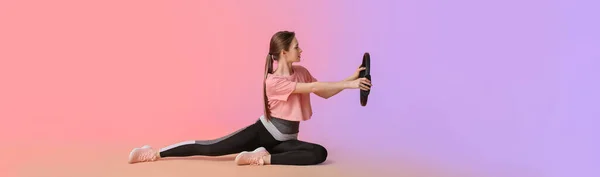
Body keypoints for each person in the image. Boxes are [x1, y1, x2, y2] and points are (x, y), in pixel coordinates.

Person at [127, 31, 372, 166]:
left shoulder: (301, 72)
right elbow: (311, 87)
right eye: (297, 46)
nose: (301, 50)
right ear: (284, 52)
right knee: (211, 147)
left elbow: (323, 91)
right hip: (263, 134)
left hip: (285, 141)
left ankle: (263, 158)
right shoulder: (273, 81)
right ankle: (155, 153)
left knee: (319, 154)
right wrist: (350, 84)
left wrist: (351, 78)